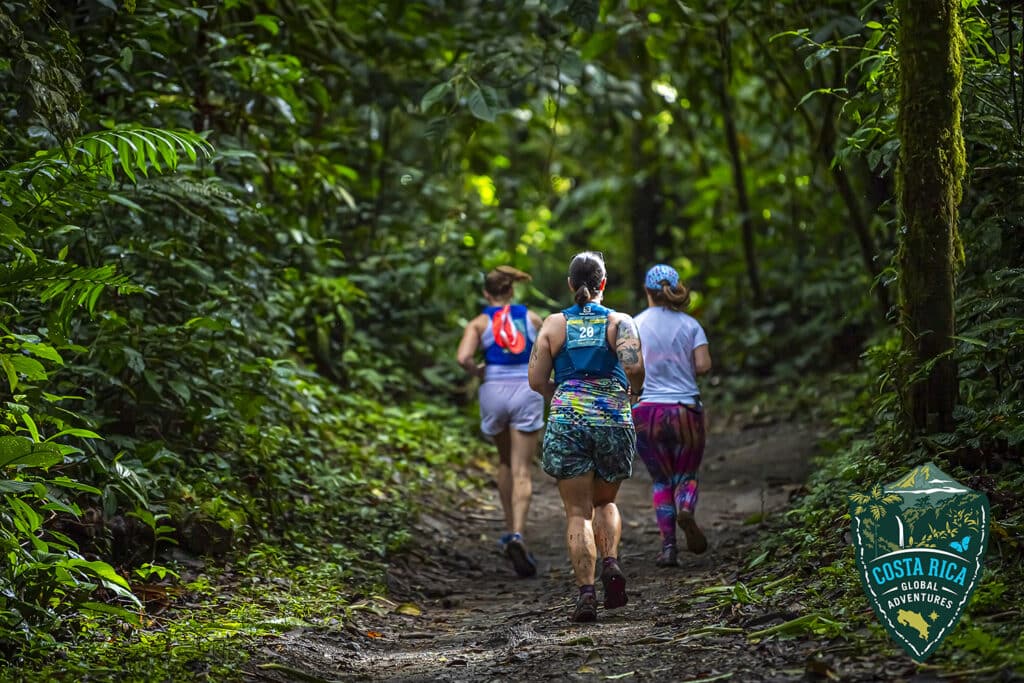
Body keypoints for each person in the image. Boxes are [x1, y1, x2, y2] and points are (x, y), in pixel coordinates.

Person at [528, 252, 644, 622]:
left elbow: (535, 380)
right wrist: (633, 392)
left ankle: (586, 594)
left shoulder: (553, 324)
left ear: (569, 284)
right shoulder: (620, 321)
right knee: (605, 503)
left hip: (568, 422)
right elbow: (634, 366)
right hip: (613, 419)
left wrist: (561, 394)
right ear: (603, 284)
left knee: (578, 512)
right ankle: (610, 563)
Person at [457, 266, 545, 578]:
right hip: (526, 389)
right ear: (512, 291)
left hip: (493, 390)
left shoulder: (480, 322)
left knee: (505, 461)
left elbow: (463, 358)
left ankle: (508, 529)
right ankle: (518, 533)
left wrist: (479, 371)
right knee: (523, 468)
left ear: (486, 293)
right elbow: (548, 352)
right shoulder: (532, 318)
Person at [632, 264, 712, 567]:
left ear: (646, 290)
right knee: (685, 476)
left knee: (660, 481)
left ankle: (668, 548)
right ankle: (686, 508)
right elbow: (703, 365)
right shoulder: (691, 325)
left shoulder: (634, 324)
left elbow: (629, 367)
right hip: (685, 411)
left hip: (647, 411)